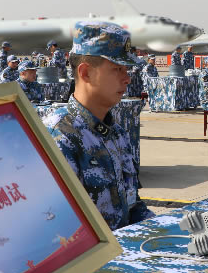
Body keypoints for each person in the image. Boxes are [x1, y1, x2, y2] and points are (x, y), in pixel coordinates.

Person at [42, 21, 152, 230]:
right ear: (86, 73)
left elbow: (133, 208)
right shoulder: (59, 137)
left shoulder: (116, 133)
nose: (127, 79)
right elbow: (59, 231)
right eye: (117, 69)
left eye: (126, 69)